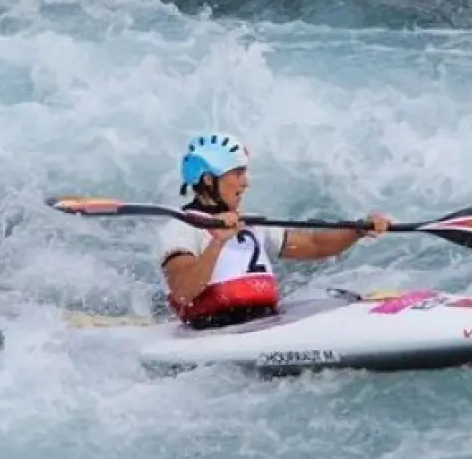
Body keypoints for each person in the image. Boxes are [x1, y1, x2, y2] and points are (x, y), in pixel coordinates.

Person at [156, 133, 390, 330]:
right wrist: (217, 243)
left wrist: (357, 230)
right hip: (214, 332)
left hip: (264, 322)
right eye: (238, 173)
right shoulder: (181, 227)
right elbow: (183, 293)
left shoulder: (250, 223)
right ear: (208, 179)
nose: (246, 183)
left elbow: (315, 245)